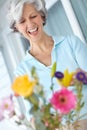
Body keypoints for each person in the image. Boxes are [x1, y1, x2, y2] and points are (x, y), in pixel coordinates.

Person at [7, 0, 87, 129]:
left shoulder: (71, 44)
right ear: (17, 27)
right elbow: (33, 115)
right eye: (22, 21)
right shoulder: (22, 71)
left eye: (33, 16)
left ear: (42, 16)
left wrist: (82, 78)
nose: (30, 24)